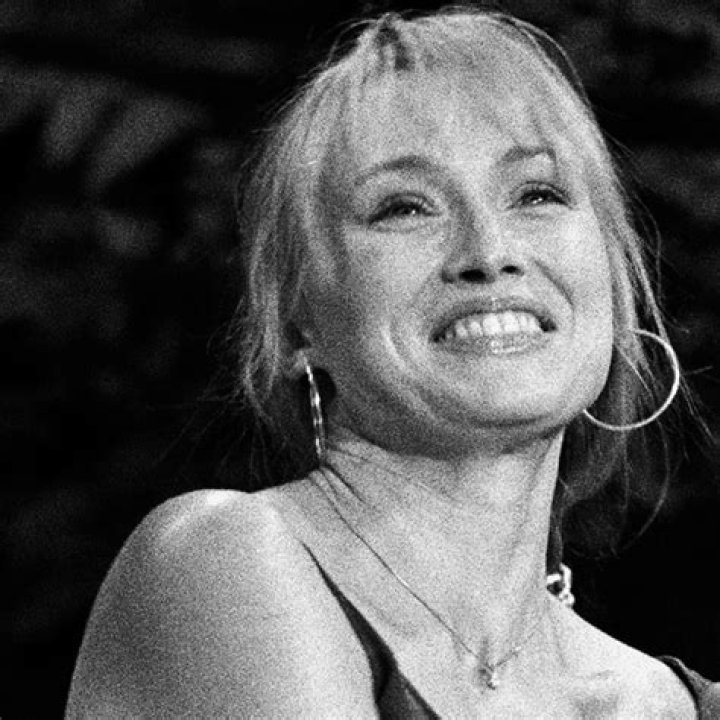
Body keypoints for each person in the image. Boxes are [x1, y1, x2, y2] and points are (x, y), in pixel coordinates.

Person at [66, 8, 720, 718]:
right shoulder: (226, 561)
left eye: (538, 194)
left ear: (614, 283)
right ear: (296, 325)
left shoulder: (677, 703)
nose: (489, 253)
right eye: (405, 208)